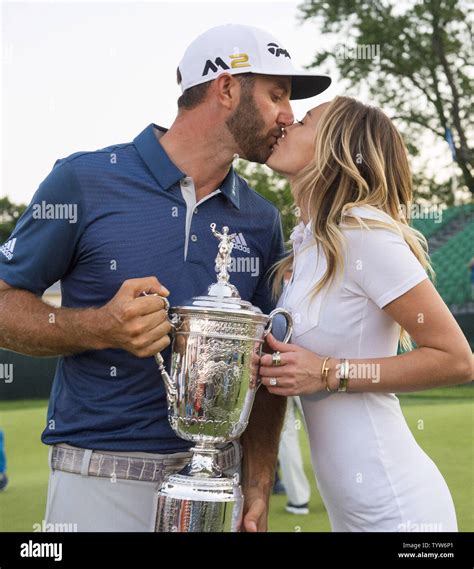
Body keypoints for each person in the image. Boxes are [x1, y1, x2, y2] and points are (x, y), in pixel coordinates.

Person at [0, 24, 330, 532]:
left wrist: (258, 484)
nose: (288, 115)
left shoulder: (262, 218)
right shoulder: (84, 179)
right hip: (98, 481)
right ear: (226, 88)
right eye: (276, 95)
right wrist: (98, 327)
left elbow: (263, 366)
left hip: (216, 488)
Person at [260, 96, 472, 532]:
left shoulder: (363, 235)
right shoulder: (309, 244)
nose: (287, 124)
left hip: (399, 512)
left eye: (303, 121)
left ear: (334, 147)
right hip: (352, 513)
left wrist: (328, 372)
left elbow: (456, 358)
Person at [278, 396, 311, 514]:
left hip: (276, 380)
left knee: (286, 436)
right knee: (321, 433)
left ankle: (298, 500)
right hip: (313, 381)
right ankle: (340, 493)